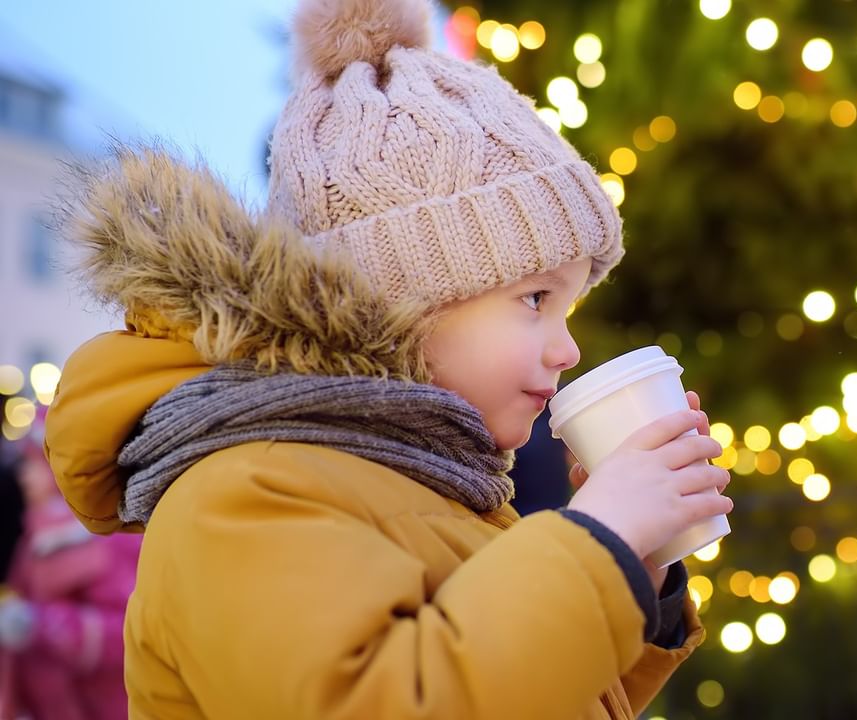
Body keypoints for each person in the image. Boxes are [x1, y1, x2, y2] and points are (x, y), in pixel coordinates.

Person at [42, 0, 733, 717]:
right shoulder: (246, 487)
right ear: (402, 296)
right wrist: (600, 539)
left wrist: (637, 578)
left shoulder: (426, 481)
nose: (568, 348)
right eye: (535, 299)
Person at [1, 411, 141, 720]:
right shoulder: (38, 535)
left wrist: (40, 625)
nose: (24, 475)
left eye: (34, 463)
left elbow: (130, 633)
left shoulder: (108, 538)